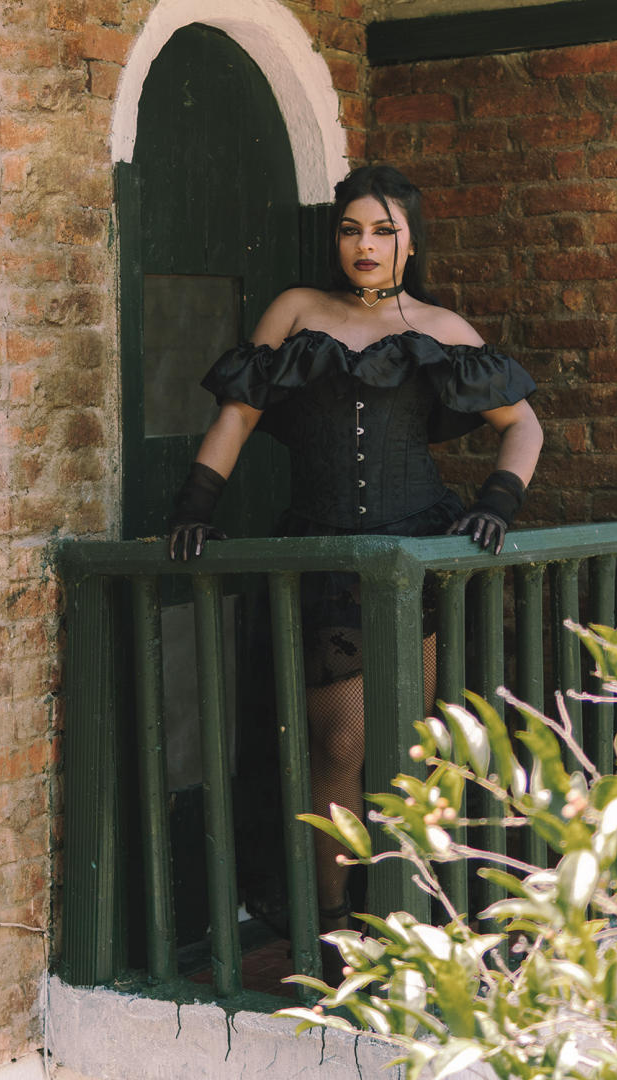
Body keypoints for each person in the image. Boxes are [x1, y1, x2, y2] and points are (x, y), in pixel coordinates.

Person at [166, 164, 542, 957]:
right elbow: (238, 415)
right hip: (326, 555)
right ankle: (334, 921)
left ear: (411, 241)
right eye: (350, 230)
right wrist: (195, 506)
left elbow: (524, 425)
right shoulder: (298, 310)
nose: (364, 245)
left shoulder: (441, 327)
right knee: (339, 742)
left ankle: (407, 921)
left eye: (382, 230)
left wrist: (496, 503)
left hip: (419, 555)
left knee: (413, 745)